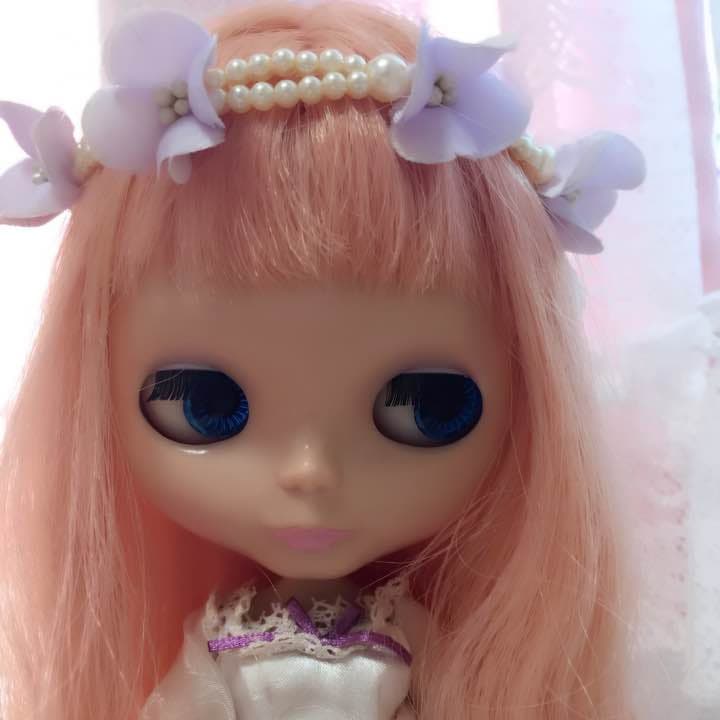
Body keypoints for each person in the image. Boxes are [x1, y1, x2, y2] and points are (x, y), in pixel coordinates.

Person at [0, 2, 645, 717]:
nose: (310, 472)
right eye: (204, 406)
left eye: (426, 407)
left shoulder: (422, 640)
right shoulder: (221, 646)